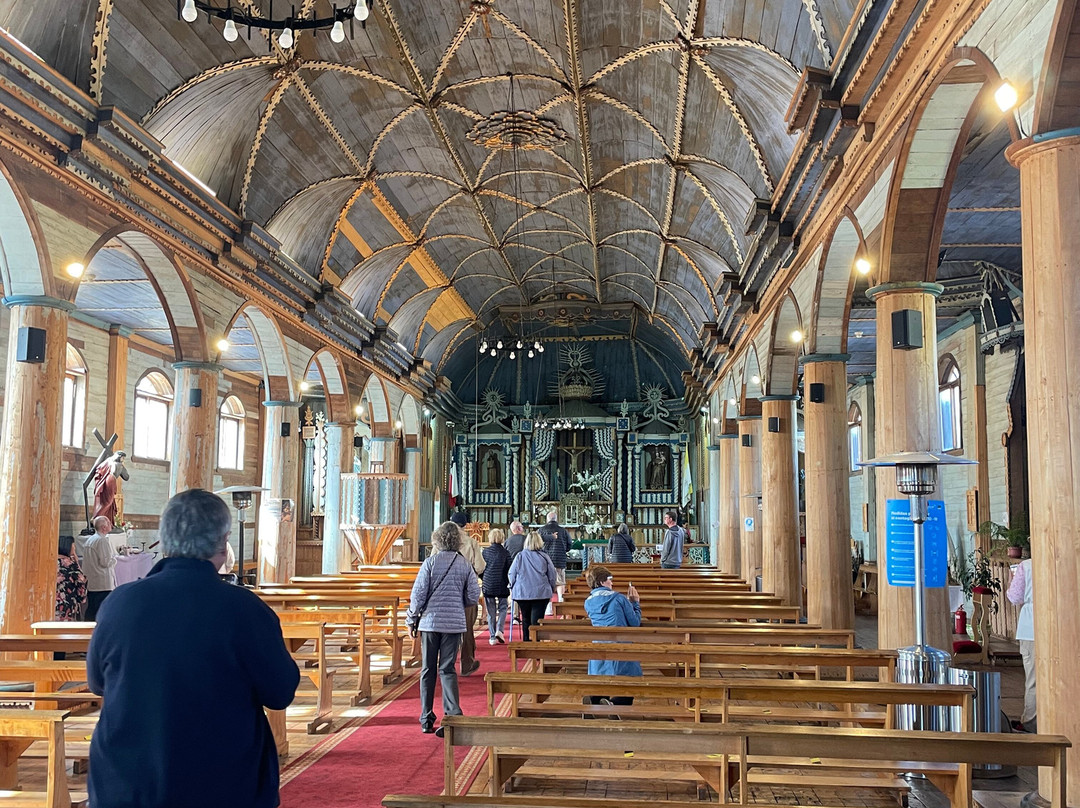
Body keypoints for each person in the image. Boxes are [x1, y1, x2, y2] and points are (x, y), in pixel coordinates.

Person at [86, 488, 300, 808]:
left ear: (165, 539)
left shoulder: (120, 603)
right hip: (220, 782)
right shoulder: (244, 609)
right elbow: (280, 692)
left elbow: (96, 683)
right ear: (222, 541)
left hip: (127, 783)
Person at [406, 521, 480, 736]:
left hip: (430, 623)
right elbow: (473, 596)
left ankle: (426, 718)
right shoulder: (464, 564)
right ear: (458, 540)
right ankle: (453, 714)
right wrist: (459, 603)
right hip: (454, 624)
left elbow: (418, 595)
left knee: (428, 669)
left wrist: (411, 620)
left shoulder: (430, 563)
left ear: (437, 539)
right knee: (447, 669)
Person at [582, 565, 641, 711]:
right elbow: (634, 623)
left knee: (600, 677)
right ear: (602, 582)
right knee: (630, 680)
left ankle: (594, 701)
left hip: (599, 647)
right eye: (610, 580)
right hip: (621, 646)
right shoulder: (619, 599)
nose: (612, 583)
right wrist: (635, 602)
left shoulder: (588, 602)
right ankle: (616, 705)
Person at [450, 511, 485, 676]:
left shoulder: (441, 541)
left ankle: (447, 664)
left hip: (447, 591)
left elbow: (432, 564)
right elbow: (479, 566)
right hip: (465, 590)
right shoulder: (471, 542)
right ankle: (467, 663)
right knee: (467, 628)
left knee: (447, 626)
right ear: (466, 525)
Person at [508, 531, 557, 641]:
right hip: (541, 592)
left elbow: (511, 573)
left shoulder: (519, 556)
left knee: (525, 618)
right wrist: (551, 586)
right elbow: (552, 574)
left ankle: (526, 641)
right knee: (537, 620)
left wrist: (512, 585)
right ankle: (536, 642)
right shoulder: (544, 556)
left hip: (523, 592)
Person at [1007, 556, 1035, 731]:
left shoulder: (1026, 566)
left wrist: (1010, 581)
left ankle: (1031, 723)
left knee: (1033, 679)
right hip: (1064, 624)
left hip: (1031, 627)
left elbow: (1014, 597)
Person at [83, 515, 117, 621]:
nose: (111, 524)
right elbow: (105, 562)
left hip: (93, 582)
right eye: (108, 523)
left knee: (92, 610)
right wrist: (115, 559)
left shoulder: (91, 539)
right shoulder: (102, 540)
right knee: (101, 612)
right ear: (103, 527)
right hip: (102, 583)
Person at [482, 528, 511, 644]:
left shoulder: (485, 552)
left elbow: (481, 568)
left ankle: (492, 636)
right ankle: (500, 630)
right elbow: (510, 569)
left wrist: (483, 578)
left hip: (488, 583)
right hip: (502, 583)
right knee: (503, 608)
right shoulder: (505, 553)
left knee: (491, 611)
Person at [539, 509, 571, 600]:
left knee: (547, 582)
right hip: (559, 559)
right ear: (556, 519)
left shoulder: (541, 530)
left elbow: (537, 544)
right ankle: (561, 600)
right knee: (560, 581)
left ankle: (548, 607)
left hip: (545, 560)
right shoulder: (563, 531)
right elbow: (569, 544)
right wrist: (564, 550)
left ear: (547, 519)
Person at [92, 450, 129, 526]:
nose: (123, 460)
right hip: (111, 480)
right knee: (108, 502)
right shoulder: (119, 465)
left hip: (107, 480)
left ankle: (104, 522)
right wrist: (122, 467)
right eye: (123, 458)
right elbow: (126, 477)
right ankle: (96, 519)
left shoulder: (108, 461)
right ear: (120, 457)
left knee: (107, 502)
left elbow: (99, 468)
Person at [55, 535, 87, 621]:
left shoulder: (48, 563)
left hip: (50, 606)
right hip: (67, 607)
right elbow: (81, 592)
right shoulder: (71, 565)